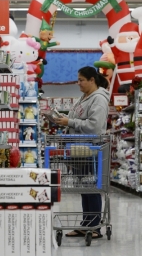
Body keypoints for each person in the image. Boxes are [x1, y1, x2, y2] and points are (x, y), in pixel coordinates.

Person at [53, 66, 110, 239]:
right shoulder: (85, 97)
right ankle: (86, 224)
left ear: (92, 80)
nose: (78, 83)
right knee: (84, 187)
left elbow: (94, 126)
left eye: (81, 80)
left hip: (90, 149)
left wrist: (70, 122)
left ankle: (94, 227)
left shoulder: (98, 99)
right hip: (79, 149)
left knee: (91, 187)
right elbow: (77, 118)